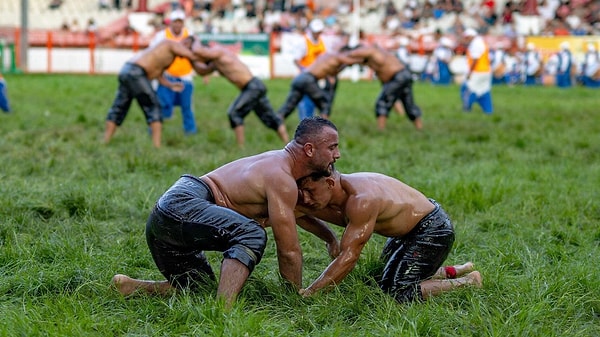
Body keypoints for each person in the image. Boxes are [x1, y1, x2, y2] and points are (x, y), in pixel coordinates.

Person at [111, 117, 342, 308]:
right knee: (250, 234)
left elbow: (296, 212)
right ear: (310, 149)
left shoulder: (279, 165)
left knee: (197, 287)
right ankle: (224, 310)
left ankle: (130, 286)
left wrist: (330, 237)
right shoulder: (281, 177)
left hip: (166, 215)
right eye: (332, 147)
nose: (337, 154)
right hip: (183, 203)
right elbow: (289, 249)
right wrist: (294, 297)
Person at [295, 166, 482, 303]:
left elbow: (348, 257)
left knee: (399, 292)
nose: (306, 198)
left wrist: (312, 292)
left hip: (432, 229)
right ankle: (457, 269)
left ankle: (468, 281)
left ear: (329, 183)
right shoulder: (346, 188)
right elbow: (306, 213)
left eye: (310, 191)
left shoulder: (362, 200)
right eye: (302, 192)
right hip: (411, 229)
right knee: (384, 276)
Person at [103, 36, 199, 148]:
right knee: (155, 107)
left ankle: (105, 141)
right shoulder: (172, 44)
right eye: (189, 46)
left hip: (127, 70)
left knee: (119, 107)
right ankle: (156, 147)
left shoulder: (167, 54)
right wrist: (199, 46)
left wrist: (171, 85)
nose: (189, 49)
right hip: (137, 72)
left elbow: (158, 73)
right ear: (184, 42)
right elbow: (193, 56)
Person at [190, 42, 289, 147]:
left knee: (235, 113)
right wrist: (190, 59)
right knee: (270, 117)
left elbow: (197, 51)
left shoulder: (218, 51)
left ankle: (240, 147)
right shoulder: (216, 63)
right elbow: (202, 71)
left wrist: (193, 40)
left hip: (253, 87)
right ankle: (287, 144)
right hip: (253, 87)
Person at [344, 44, 423, 130]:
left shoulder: (373, 51)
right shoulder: (375, 57)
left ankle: (380, 130)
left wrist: (343, 54)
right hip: (403, 76)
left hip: (398, 77)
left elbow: (357, 53)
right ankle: (420, 129)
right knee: (409, 103)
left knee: (382, 102)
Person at [150, 10, 198, 135]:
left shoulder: (190, 35)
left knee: (187, 107)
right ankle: (154, 131)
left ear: (183, 23)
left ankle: (190, 132)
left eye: (180, 22)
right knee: (162, 106)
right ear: (170, 23)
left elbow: (197, 53)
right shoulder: (162, 36)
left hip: (185, 77)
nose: (177, 25)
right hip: (167, 76)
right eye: (175, 22)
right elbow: (153, 53)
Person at [277, 49, 361, 120]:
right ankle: (323, 132)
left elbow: (335, 70)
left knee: (288, 107)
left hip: (299, 78)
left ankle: (278, 122)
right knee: (325, 104)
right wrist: (365, 59)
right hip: (308, 79)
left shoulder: (327, 57)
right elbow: (351, 61)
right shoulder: (338, 56)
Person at [293, 18, 328, 121]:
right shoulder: (304, 41)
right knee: (305, 102)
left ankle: (312, 124)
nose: (317, 34)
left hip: (317, 76)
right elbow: (296, 59)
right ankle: (304, 124)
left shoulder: (321, 41)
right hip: (306, 76)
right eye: (315, 32)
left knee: (314, 101)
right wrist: (304, 71)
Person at [460, 28, 493, 114]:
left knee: (467, 90)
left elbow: (475, 60)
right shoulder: (482, 42)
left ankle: (466, 109)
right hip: (486, 71)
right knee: (484, 91)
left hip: (477, 72)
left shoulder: (475, 44)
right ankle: (488, 111)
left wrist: (470, 73)